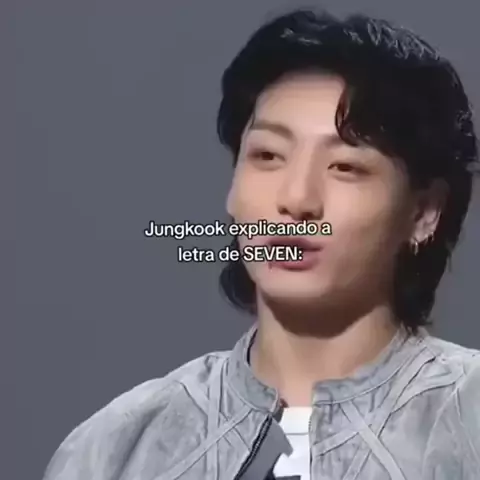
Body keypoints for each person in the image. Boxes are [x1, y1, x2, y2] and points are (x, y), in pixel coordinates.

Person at [43, 8, 480, 480]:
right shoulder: (116, 448)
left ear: (424, 213)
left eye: (345, 167)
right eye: (268, 155)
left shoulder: (466, 419)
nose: (296, 199)